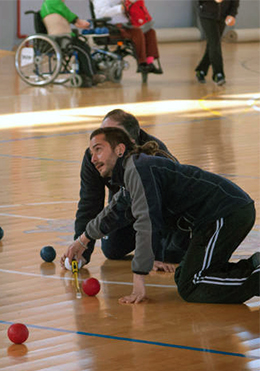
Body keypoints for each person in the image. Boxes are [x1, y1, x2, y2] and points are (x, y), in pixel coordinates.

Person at [67, 127, 259, 304]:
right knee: (184, 275)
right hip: (216, 217)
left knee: (191, 285)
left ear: (119, 149)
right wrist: (82, 241)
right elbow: (114, 212)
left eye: (98, 149)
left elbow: (147, 223)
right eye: (91, 153)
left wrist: (139, 281)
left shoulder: (138, 170)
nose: (92, 159)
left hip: (226, 212)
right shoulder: (132, 172)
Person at [66, 109, 185, 269]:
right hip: (124, 208)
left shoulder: (154, 156)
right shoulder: (93, 156)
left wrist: (155, 254)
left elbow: (158, 208)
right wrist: (81, 251)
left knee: (172, 257)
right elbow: (89, 203)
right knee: (113, 250)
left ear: (129, 142)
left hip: (167, 216)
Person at [40, 0, 104, 87]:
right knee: (84, 49)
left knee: (83, 47)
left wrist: (78, 23)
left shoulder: (48, 4)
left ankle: (84, 75)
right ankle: (91, 75)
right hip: (62, 39)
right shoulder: (54, 2)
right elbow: (70, 15)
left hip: (62, 37)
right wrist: (81, 22)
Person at [92, 0, 162, 74]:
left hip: (126, 24)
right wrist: (121, 8)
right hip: (112, 27)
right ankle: (142, 63)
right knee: (136, 32)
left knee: (150, 32)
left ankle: (149, 62)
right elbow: (102, 12)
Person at [195, 0, 240, 86]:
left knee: (212, 44)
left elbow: (235, 1)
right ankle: (218, 74)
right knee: (215, 44)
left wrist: (232, 14)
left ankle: (201, 70)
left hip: (222, 17)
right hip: (207, 16)